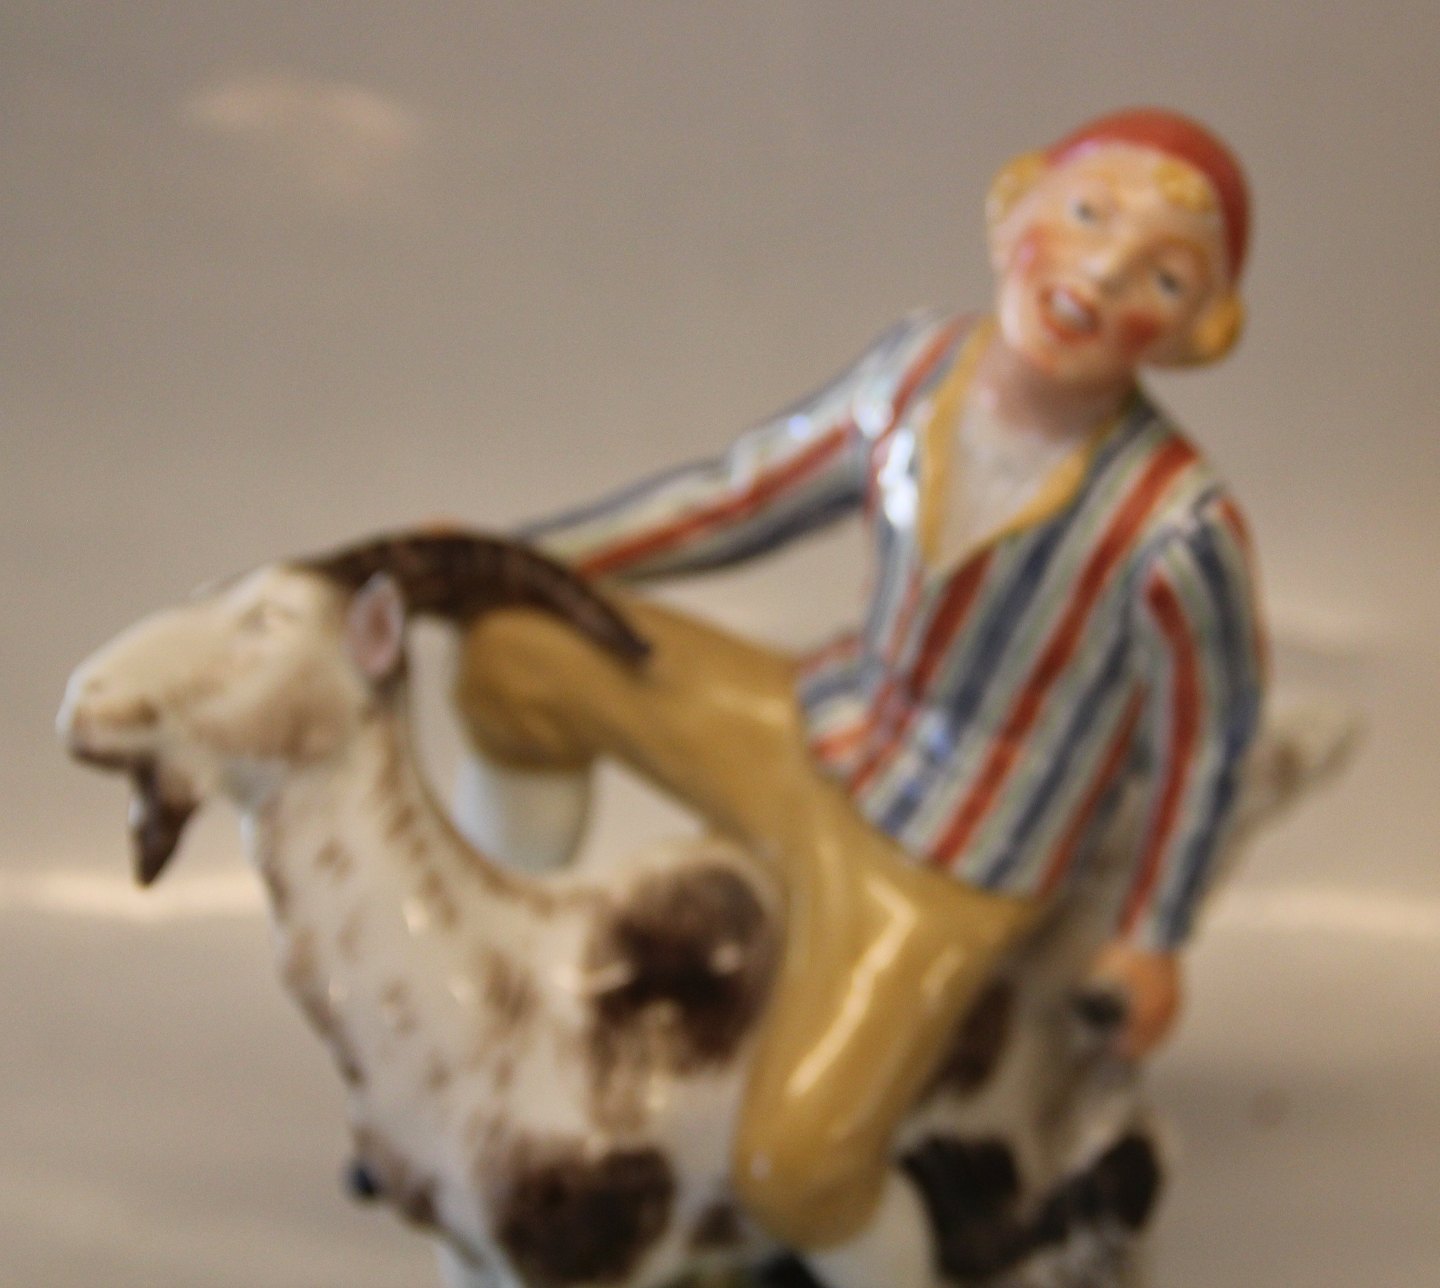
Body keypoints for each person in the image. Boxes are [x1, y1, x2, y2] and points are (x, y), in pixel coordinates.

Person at [454, 108, 1265, 1268]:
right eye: (1087, 217)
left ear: (1196, 332)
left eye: (1164, 276)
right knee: (515, 653)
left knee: (799, 1171)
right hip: (821, 724)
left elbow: (1210, 735)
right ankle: (500, 989)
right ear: (1013, 213)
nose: (1099, 274)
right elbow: (737, 498)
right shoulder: (916, 373)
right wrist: (512, 561)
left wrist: (1156, 936)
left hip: (950, 860)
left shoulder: (1176, 527)